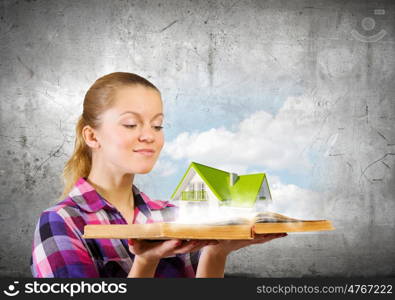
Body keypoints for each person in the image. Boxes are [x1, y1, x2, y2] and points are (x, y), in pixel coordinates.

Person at [30, 72, 287, 278]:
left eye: (157, 125)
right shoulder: (62, 222)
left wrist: (215, 253)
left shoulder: (173, 217)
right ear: (92, 136)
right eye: (131, 124)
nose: (149, 136)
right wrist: (146, 261)